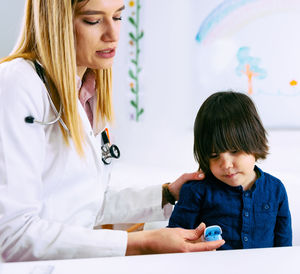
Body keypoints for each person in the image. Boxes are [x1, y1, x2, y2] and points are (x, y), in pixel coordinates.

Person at [0, 0, 224, 262]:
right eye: (93, 20)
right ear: (56, 23)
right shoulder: (16, 84)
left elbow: (90, 202)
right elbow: (12, 235)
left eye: (117, 17)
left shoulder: (87, 92)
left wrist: (167, 193)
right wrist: (142, 243)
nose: (113, 34)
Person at [168, 91, 292, 249]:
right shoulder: (196, 191)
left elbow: (284, 246)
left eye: (234, 151)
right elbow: (173, 241)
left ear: (255, 142)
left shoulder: (275, 189)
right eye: (214, 155)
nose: (226, 165)